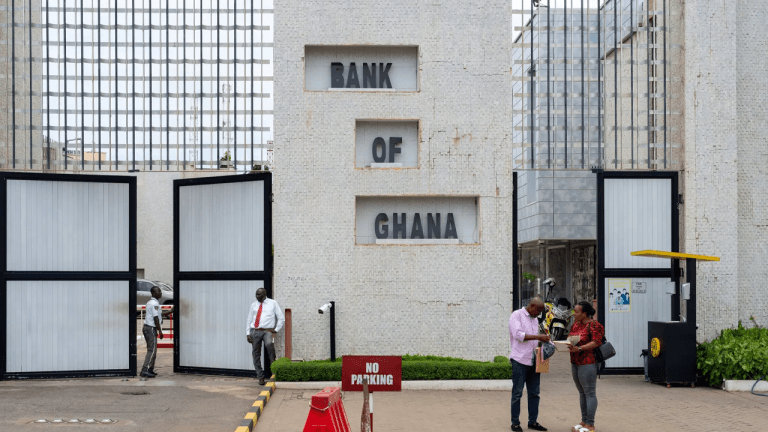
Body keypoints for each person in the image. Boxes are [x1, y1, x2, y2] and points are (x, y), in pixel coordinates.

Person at [508, 297, 550, 432]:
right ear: (532, 306)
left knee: (534, 394)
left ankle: (533, 422)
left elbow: (534, 340)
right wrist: (538, 337)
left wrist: (544, 341)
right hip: (519, 360)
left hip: (534, 360)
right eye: (538, 311)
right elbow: (518, 335)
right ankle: (515, 423)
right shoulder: (517, 315)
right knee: (517, 393)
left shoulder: (535, 319)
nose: (539, 314)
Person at [567, 301, 605, 432]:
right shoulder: (575, 325)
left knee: (589, 393)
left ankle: (590, 424)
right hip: (575, 362)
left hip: (588, 362)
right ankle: (584, 421)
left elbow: (596, 342)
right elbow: (570, 337)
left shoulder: (594, 325)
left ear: (584, 314)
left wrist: (580, 348)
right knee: (582, 393)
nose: (574, 314)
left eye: (577, 312)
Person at [246, 287, 285, 385]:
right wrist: (248, 333)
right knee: (256, 354)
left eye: (259, 295)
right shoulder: (254, 305)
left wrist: (276, 330)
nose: (257, 296)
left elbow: (281, 318)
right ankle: (260, 377)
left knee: (269, 346)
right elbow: (249, 319)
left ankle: (274, 374)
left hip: (268, 331)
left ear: (264, 295)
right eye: (256, 294)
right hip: (255, 331)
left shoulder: (273, 303)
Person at [140, 286, 164, 378]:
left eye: (160, 291)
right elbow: (155, 318)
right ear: (154, 293)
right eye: (158, 291)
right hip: (150, 328)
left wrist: (170, 312)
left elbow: (158, 315)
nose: (160, 293)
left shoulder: (151, 302)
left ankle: (150, 369)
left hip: (148, 328)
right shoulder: (154, 304)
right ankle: (145, 370)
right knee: (152, 350)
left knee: (152, 350)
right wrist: (160, 331)